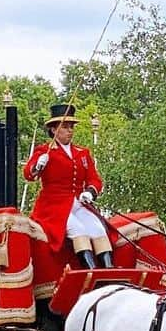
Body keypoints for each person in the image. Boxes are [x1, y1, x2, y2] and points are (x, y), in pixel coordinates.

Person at [23, 103, 113, 268]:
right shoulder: (44, 151)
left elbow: (95, 179)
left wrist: (90, 192)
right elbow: (28, 174)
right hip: (54, 206)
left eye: (71, 127)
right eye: (65, 127)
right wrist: (37, 165)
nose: (70, 130)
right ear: (53, 130)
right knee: (78, 229)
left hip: (79, 203)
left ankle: (108, 269)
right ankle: (90, 270)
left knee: (98, 228)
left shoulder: (82, 152)